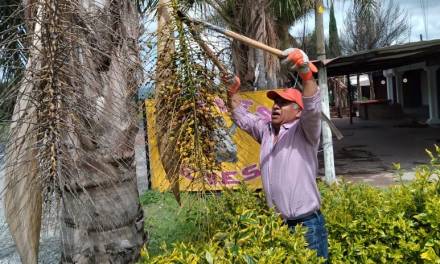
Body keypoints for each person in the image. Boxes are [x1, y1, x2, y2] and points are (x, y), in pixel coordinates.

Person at [224, 48, 328, 259]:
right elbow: (241, 116)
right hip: (278, 224)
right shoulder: (266, 131)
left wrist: (306, 73)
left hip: (307, 225)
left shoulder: (305, 130)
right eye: (275, 102)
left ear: (298, 110)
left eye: (283, 103)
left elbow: (312, 107)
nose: (276, 107)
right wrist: (232, 93)